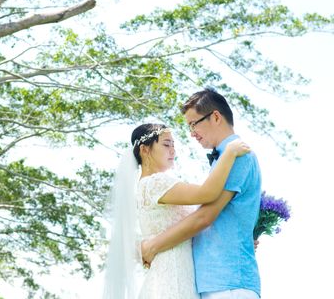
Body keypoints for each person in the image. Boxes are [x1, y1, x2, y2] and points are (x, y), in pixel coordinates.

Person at [103, 123, 250, 299]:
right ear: (145, 150)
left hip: (176, 274)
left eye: (174, 145)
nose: (173, 151)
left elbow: (191, 228)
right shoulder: (155, 183)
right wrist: (229, 153)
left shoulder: (146, 186)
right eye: (166, 144)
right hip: (173, 278)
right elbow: (207, 193)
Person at [141, 88, 262, 299]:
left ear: (215, 116)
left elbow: (205, 217)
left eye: (194, 124)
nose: (192, 133)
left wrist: (153, 246)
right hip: (214, 281)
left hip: (228, 282)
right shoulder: (223, 158)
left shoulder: (237, 154)